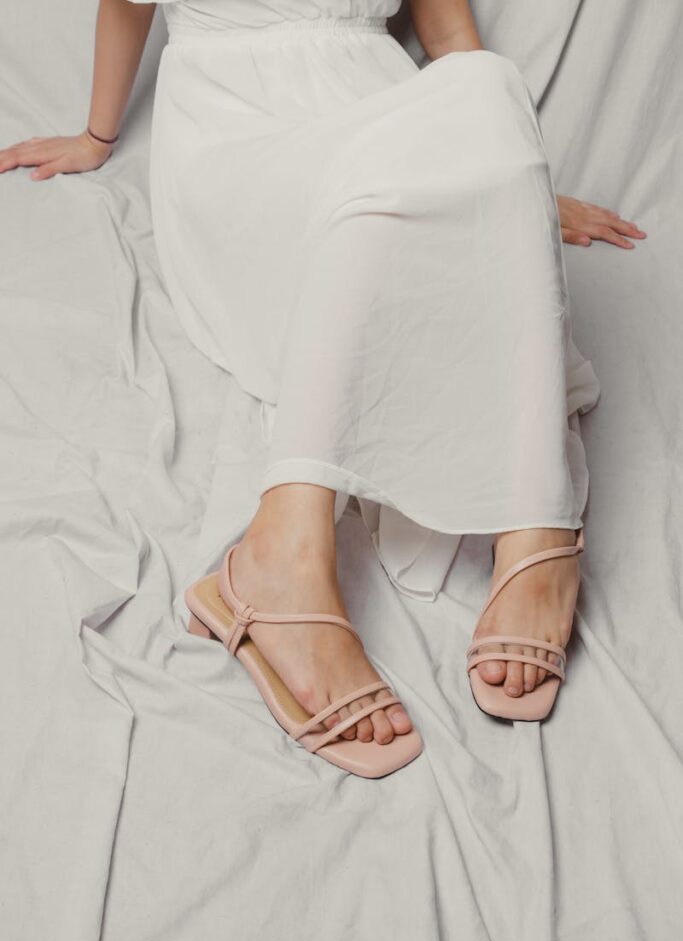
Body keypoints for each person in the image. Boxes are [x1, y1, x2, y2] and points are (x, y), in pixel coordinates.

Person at [0, 0, 646, 775]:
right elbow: (124, 6)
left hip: (383, 105)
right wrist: (97, 137)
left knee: (485, 86)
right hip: (235, 134)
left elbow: (451, 39)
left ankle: (529, 521)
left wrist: (511, 177)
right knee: (380, 213)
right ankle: (288, 551)